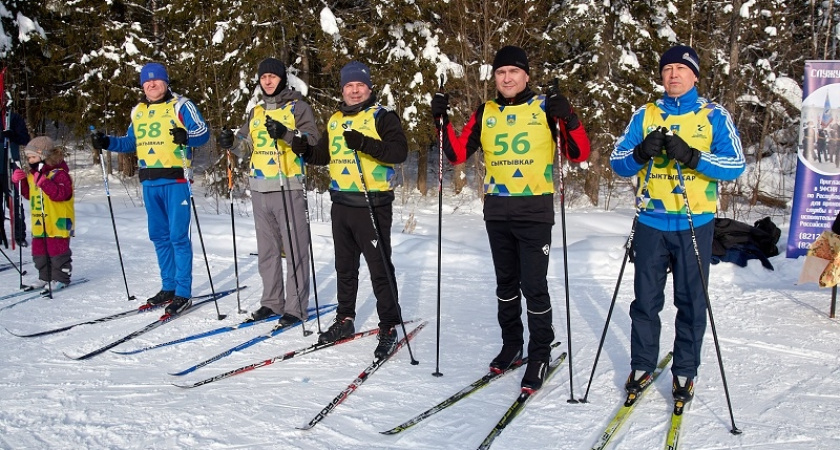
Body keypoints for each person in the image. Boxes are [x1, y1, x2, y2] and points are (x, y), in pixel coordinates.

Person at [430, 45, 591, 390]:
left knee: (534, 287)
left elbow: (579, 153)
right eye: (501, 72)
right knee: (505, 286)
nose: (507, 77)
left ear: (526, 75)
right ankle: (512, 344)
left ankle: (540, 352)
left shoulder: (545, 107)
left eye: (514, 71)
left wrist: (570, 118)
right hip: (498, 211)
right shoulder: (485, 111)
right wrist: (441, 121)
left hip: (534, 211)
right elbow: (457, 155)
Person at [610, 45, 745, 406]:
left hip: (694, 222)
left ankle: (685, 369)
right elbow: (617, 161)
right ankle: (642, 365)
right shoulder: (645, 114)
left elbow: (735, 166)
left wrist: (693, 156)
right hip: (651, 220)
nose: (673, 75)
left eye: (681, 69)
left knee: (691, 301)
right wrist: (640, 153)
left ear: (695, 75)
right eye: (667, 69)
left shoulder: (714, 115)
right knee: (645, 301)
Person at [296, 60, 408, 358]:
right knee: (345, 267)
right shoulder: (334, 119)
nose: (355, 91)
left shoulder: (382, 116)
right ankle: (345, 319)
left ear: (368, 87)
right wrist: (304, 150)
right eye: (349, 86)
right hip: (341, 203)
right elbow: (322, 155)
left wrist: (365, 143)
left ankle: (389, 326)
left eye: (360, 85)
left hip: (372, 203)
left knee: (380, 267)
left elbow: (399, 152)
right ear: (343, 89)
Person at [91, 62, 209, 315]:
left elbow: (203, 132)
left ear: (166, 82)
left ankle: (183, 292)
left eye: (156, 80)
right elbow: (129, 142)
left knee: (178, 237)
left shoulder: (181, 105)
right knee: (159, 236)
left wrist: (186, 136)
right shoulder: (139, 111)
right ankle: (168, 287)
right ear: (142, 85)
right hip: (149, 182)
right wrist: (106, 142)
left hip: (176, 180)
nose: (151, 84)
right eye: (147, 81)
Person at [217, 58, 320, 327]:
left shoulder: (299, 107)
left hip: (288, 186)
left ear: (282, 79)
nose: (268, 81)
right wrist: (231, 142)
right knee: (268, 251)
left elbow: (313, 142)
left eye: (273, 76)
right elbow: (245, 147)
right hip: (259, 189)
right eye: (264, 77)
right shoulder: (256, 112)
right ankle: (272, 302)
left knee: (295, 249)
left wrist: (287, 134)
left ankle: (296, 307)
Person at [11, 136, 74, 290]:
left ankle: (61, 278)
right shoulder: (33, 175)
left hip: (58, 222)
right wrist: (20, 182)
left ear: (44, 156)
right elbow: (28, 194)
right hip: (40, 222)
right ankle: (45, 277)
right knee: (39, 253)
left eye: (33, 157)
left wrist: (44, 182)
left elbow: (61, 194)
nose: (30, 161)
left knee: (57, 253)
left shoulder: (59, 173)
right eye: (28, 158)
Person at [0, 110, 31, 249]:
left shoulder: (12, 117)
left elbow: (25, 139)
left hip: (11, 165)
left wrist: (13, 135)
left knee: (14, 201)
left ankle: (20, 236)